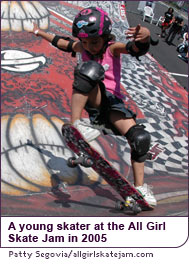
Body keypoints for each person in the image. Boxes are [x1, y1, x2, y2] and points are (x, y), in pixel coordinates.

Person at [28, 7, 157, 206]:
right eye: (85, 42)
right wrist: (39, 32)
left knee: (140, 138)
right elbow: (62, 43)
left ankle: (140, 189)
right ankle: (76, 124)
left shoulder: (113, 48)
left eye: (94, 42)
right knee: (89, 70)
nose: (90, 47)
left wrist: (145, 37)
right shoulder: (82, 48)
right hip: (95, 100)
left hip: (114, 105)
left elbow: (134, 48)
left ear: (105, 37)